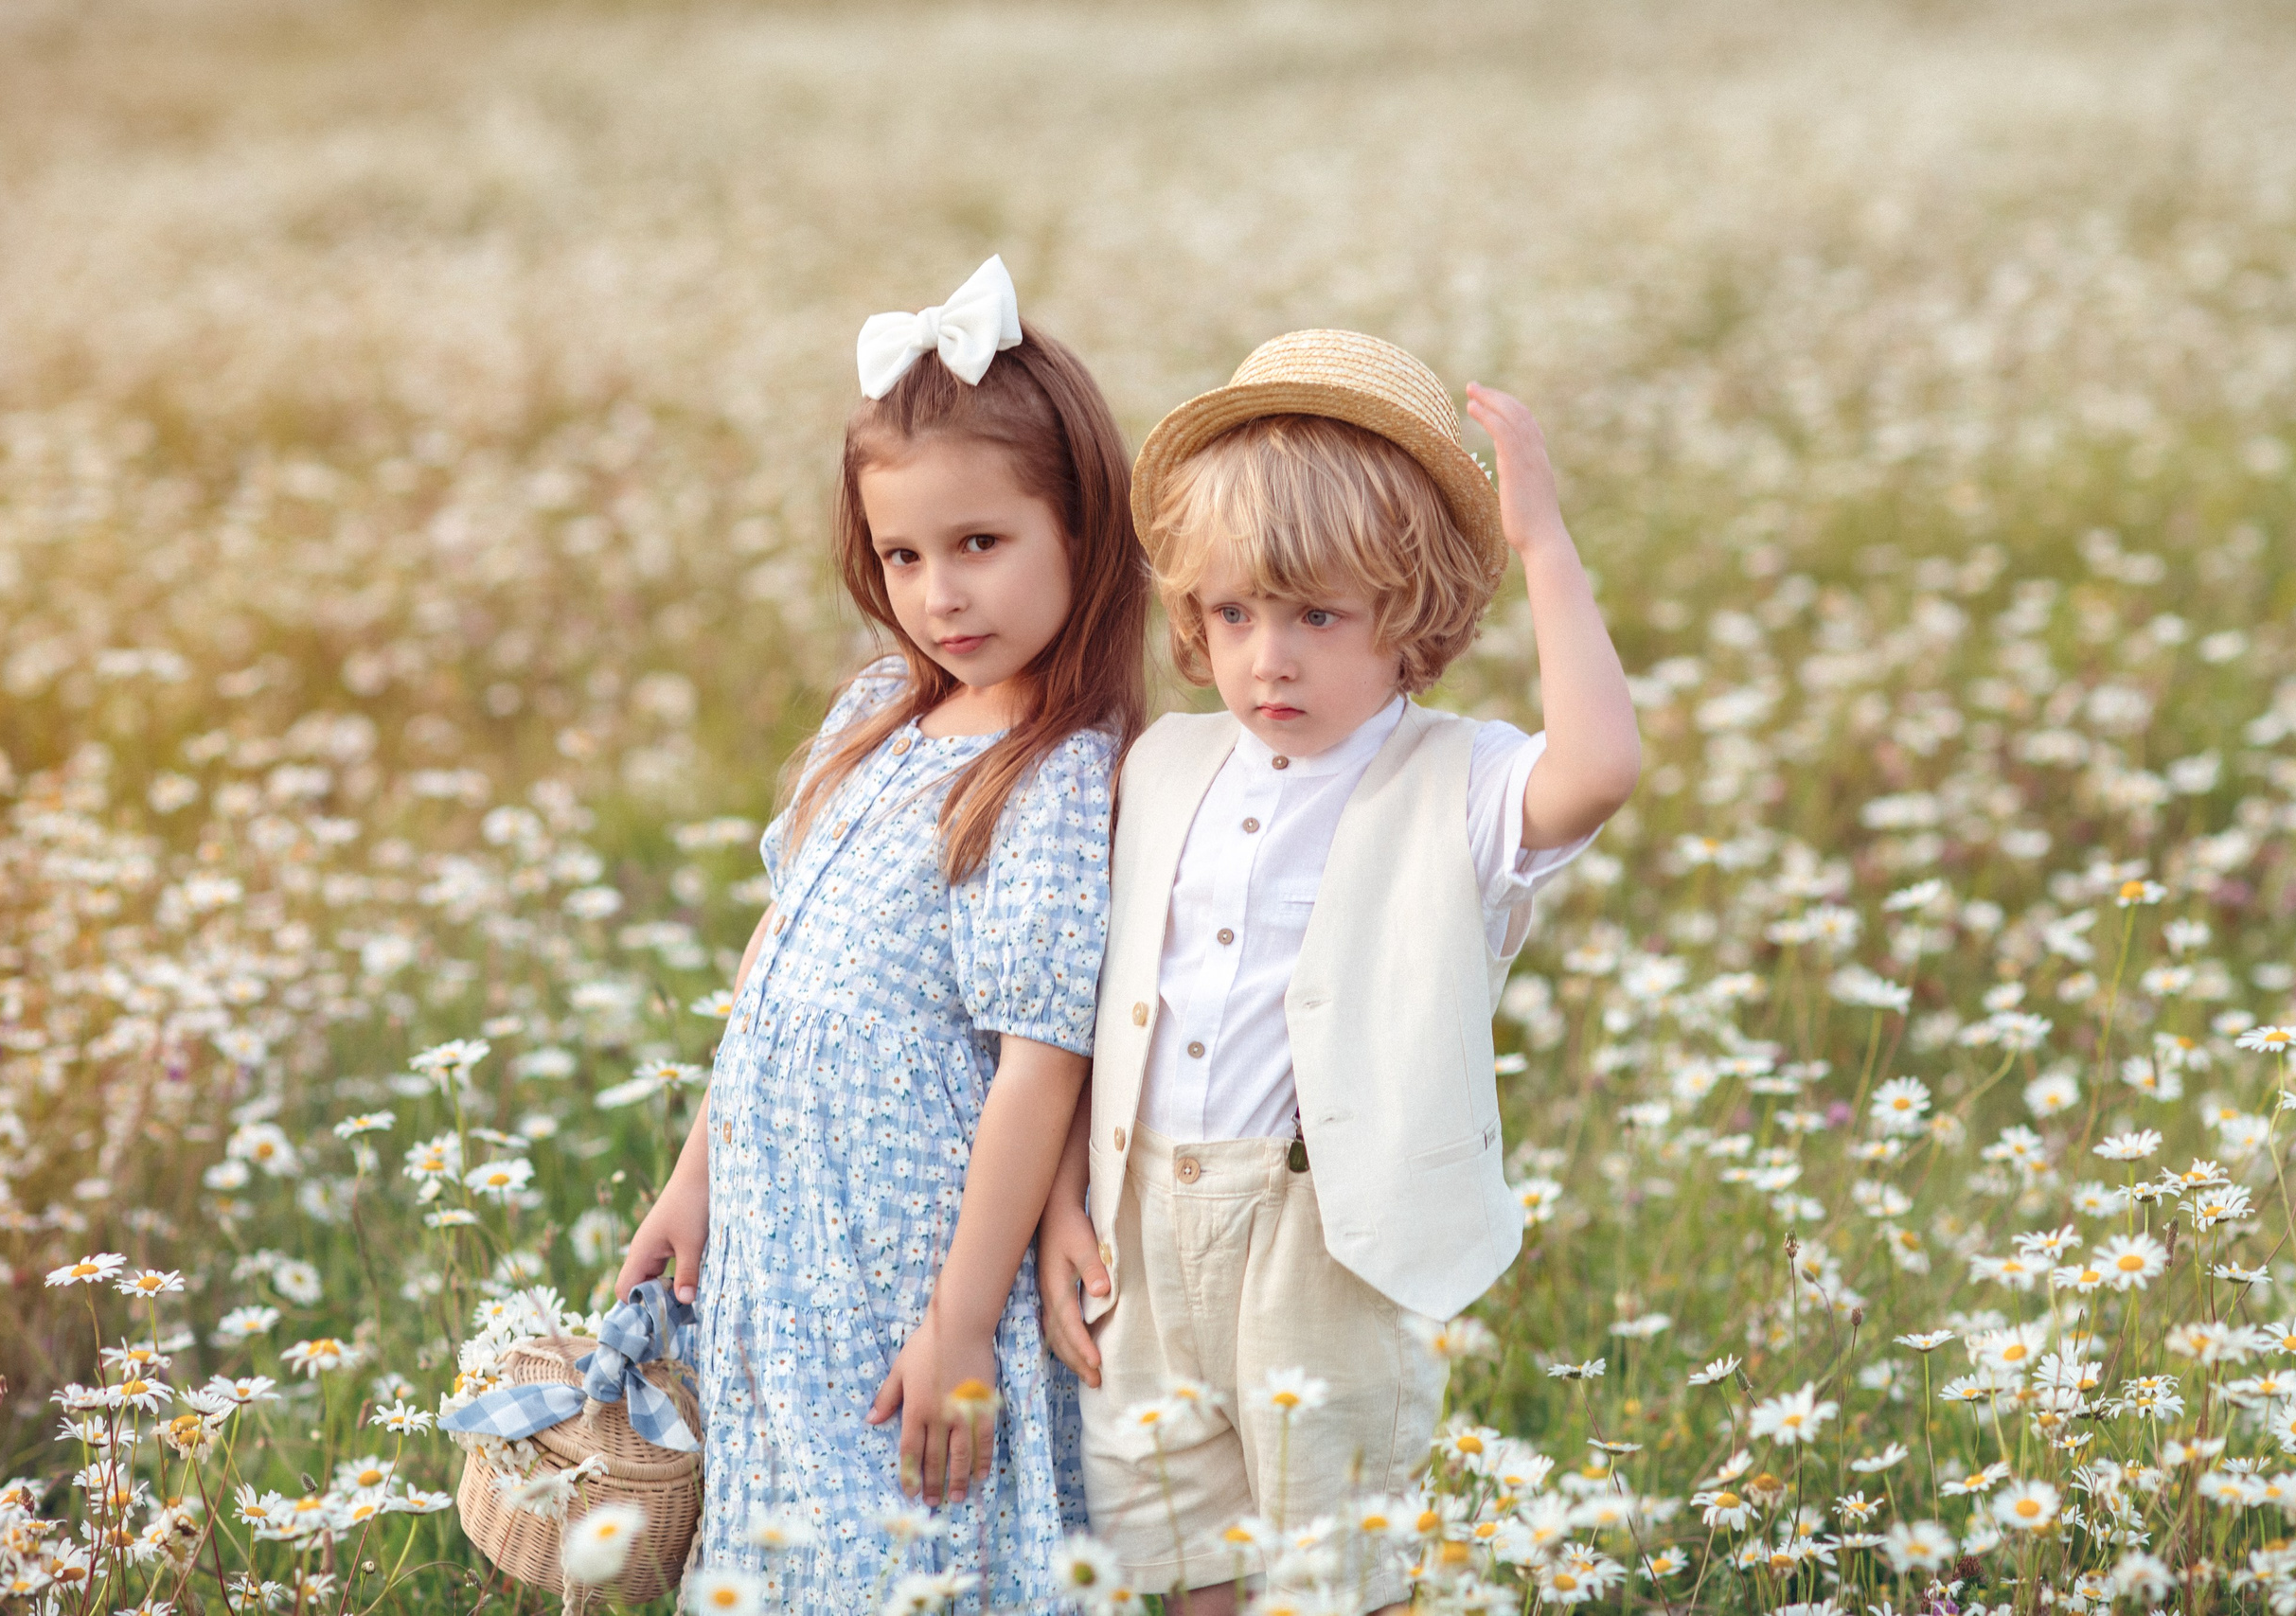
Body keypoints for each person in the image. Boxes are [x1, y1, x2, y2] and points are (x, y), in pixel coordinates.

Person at [1037, 330, 1641, 1614]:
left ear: (1410, 614)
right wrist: (1060, 1207)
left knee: (1330, 1558)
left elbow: (1599, 768)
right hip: (1140, 1220)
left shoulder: (1456, 780)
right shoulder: (1163, 767)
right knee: (1177, 1540)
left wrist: (1544, 544)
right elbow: (1094, 1010)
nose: (1271, 658)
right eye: (1234, 612)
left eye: (1319, 615)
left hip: (1327, 1231)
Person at [614, 257, 1146, 1607]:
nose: (940, 595)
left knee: (907, 1535)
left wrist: (963, 1321)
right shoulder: (874, 716)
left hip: (903, 1252)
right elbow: (771, 968)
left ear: (1081, 529)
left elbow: (1042, 1062)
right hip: (784, 1233)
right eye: (905, 556)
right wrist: (698, 1177)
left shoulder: (1054, 768)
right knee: (789, 1530)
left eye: (980, 545)